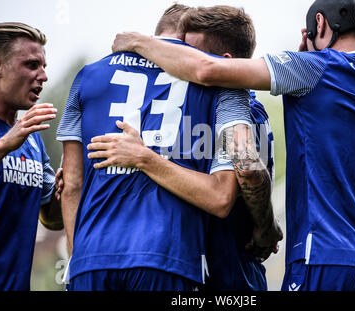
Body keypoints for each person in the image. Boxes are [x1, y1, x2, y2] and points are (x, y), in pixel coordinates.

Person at [112, 0, 355, 291]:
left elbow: (207, 70)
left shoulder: (313, 68)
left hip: (325, 258)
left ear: (319, 23)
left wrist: (139, 42)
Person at [57, 4, 279, 291]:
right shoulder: (220, 85)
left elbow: (72, 183)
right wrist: (266, 227)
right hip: (172, 256)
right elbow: (226, 191)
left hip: (91, 259)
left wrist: (78, 259)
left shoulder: (88, 75)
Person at [0, 22, 63, 291]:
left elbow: (52, 219)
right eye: (32, 65)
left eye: (44, 67)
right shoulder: (17, 137)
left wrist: (68, 182)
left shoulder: (31, 137)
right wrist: (6, 144)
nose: (43, 76)